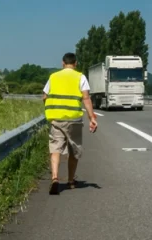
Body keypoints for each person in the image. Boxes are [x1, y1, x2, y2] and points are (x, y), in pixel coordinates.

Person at [42, 52, 98, 195]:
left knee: (55, 148)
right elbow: (86, 98)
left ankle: (55, 177)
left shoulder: (53, 77)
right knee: (74, 149)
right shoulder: (80, 77)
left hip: (56, 119)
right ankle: (71, 181)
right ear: (75, 63)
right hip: (74, 119)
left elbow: (44, 96)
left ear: (63, 63)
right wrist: (92, 117)